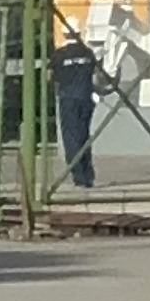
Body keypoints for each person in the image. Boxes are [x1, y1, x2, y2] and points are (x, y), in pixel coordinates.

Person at [50, 27, 99, 192]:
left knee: (71, 138)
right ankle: (88, 175)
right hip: (86, 97)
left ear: (64, 34)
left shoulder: (59, 55)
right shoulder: (87, 53)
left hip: (68, 98)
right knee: (84, 135)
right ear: (79, 33)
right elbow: (95, 73)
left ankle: (79, 177)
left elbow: (50, 76)